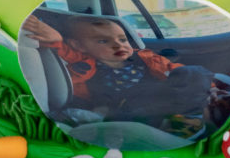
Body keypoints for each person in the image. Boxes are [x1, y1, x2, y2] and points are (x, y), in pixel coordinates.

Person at [23, 14, 216, 133]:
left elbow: (173, 70)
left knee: (193, 72)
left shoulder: (145, 58)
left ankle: (194, 109)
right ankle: (182, 119)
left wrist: (208, 87)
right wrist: (56, 39)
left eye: (122, 39)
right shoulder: (84, 62)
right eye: (103, 41)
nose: (118, 45)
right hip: (125, 108)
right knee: (124, 112)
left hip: (159, 95)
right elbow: (64, 51)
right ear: (79, 45)